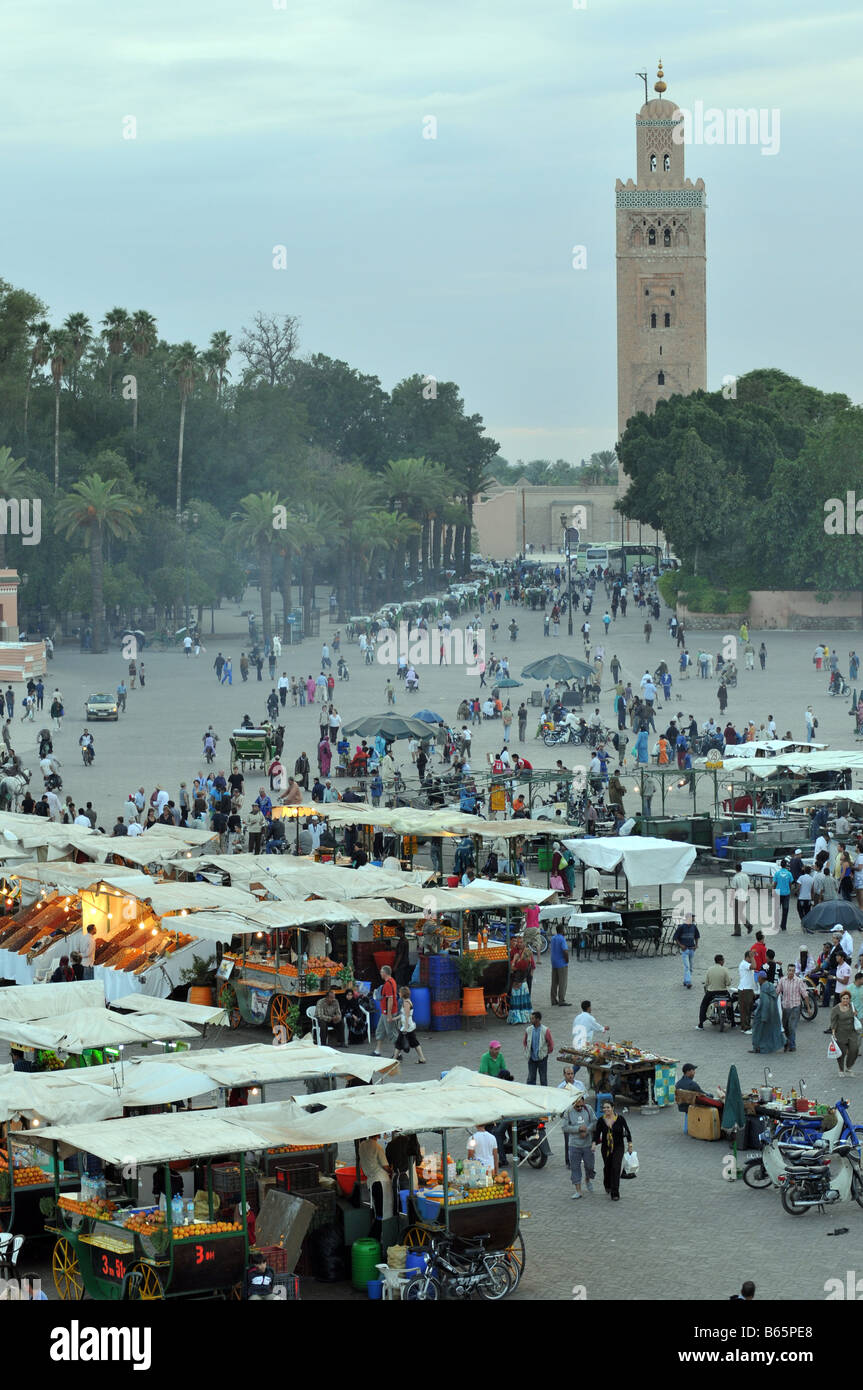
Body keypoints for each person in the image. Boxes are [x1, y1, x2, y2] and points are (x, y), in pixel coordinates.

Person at [593, 1100, 633, 1202]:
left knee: (616, 1167)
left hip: (618, 1147)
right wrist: (593, 1144)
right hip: (606, 1148)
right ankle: (607, 1184)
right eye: (604, 1108)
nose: (606, 1109)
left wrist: (630, 1145)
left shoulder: (620, 1119)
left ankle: (615, 1192)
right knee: (608, 1167)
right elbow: (597, 1134)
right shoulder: (601, 1120)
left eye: (608, 1107)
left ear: (613, 1108)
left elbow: (627, 1132)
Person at [357, 1135, 393, 1239]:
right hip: (381, 1181)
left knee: (378, 1211)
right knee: (384, 1212)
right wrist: (392, 1171)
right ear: (377, 1134)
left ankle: (375, 1236)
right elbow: (385, 1166)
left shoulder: (361, 1146)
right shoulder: (377, 1147)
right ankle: (378, 1237)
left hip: (371, 1182)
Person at [563, 1093, 596, 1199]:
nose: (580, 1108)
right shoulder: (568, 1111)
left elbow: (594, 1122)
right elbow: (565, 1127)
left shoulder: (588, 1109)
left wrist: (587, 1130)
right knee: (575, 1167)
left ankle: (588, 1179)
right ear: (573, 1103)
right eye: (577, 1106)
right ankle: (578, 1190)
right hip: (574, 1145)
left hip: (587, 1143)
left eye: (581, 1105)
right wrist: (578, 1129)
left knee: (590, 1166)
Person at [750, 964, 784, 1054]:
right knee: (773, 1031)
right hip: (773, 1013)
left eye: (758, 978)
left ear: (761, 978)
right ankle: (783, 1042)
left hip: (764, 1014)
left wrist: (763, 1016)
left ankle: (757, 1047)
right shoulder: (770, 986)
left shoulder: (764, 989)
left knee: (758, 1030)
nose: (757, 979)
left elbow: (765, 1002)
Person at [776, 963, 809, 1053]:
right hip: (785, 1007)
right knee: (786, 1026)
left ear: (795, 971)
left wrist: (808, 1008)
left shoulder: (799, 981)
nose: (791, 972)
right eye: (790, 970)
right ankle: (787, 1041)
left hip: (795, 1007)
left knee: (791, 1026)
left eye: (793, 971)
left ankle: (792, 1045)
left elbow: (805, 995)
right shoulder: (782, 980)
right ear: (787, 971)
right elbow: (777, 992)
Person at [697, 955, 733, 1029]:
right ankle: (733, 1022)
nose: (724, 961)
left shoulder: (709, 969)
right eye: (723, 960)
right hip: (723, 992)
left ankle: (701, 1024)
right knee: (730, 1005)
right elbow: (728, 983)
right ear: (721, 961)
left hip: (711, 992)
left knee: (703, 1006)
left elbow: (707, 983)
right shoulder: (725, 969)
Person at [393, 986, 426, 1064]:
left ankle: (394, 1059)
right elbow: (403, 1014)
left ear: (403, 994)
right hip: (408, 1026)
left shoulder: (406, 1003)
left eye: (400, 992)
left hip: (407, 1027)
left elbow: (407, 1016)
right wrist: (394, 1019)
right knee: (414, 1042)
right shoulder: (406, 1001)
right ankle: (422, 1058)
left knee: (399, 1042)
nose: (399, 993)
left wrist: (406, 1027)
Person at [830, 991, 859, 1076]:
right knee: (841, 1052)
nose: (845, 1000)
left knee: (855, 1049)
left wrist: (855, 1014)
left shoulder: (852, 1007)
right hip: (841, 1033)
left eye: (847, 999)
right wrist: (833, 1033)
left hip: (852, 1032)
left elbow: (855, 1018)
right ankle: (841, 1069)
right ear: (841, 999)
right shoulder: (835, 1009)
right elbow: (833, 1022)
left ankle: (849, 1066)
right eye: (844, 998)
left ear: (849, 999)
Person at [372, 965, 399, 1056]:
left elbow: (390, 999)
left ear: (385, 973)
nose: (380, 973)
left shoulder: (388, 984)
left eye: (381, 972)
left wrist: (389, 1014)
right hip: (385, 1012)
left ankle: (398, 1053)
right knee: (380, 1030)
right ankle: (377, 1051)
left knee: (392, 1033)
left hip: (388, 1013)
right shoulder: (392, 982)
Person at [523, 1011, 553, 1086]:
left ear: (538, 1019)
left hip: (542, 1058)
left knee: (543, 1078)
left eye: (532, 1018)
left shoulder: (545, 1030)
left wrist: (545, 1053)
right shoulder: (528, 1030)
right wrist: (528, 1051)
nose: (531, 1020)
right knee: (531, 1077)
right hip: (532, 1058)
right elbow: (525, 1042)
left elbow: (550, 1043)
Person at [673, 913, 700, 989]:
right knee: (687, 966)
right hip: (685, 950)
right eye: (693, 918)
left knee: (690, 967)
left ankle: (685, 981)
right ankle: (688, 982)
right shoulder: (681, 927)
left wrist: (696, 945)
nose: (694, 920)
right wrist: (681, 945)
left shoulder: (694, 927)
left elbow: (697, 936)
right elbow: (675, 937)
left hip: (692, 949)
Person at [737, 950, 759, 1033]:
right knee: (745, 1009)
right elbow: (754, 966)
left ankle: (746, 1026)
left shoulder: (747, 964)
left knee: (748, 1009)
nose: (753, 959)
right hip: (744, 989)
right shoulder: (744, 964)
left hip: (748, 989)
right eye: (751, 958)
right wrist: (752, 956)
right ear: (747, 957)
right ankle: (745, 1027)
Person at [729, 862, 751, 936]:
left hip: (738, 898)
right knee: (739, 913)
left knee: (736, 915)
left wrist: (731, 900)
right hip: (745, 897)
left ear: (735, 869)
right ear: (741, 868)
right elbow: (748, 886)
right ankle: (748, 925)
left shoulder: (735, 878)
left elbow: (733, 890)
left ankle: (738, 931)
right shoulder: (746, 876)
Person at [549, 923, 570, 1006]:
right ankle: (562, 1000)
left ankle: (553, 999)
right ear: (562, 930)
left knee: (554, 982)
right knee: (563, 982)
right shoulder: (562, 939)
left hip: (554, 962)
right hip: (561, 963)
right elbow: (565, 951)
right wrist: (567, 960)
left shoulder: (553, 938)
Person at [392, 925, 412, 989]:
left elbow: (400, 955)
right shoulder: (403, 940)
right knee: (403, 979)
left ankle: (400, 993)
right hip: (405, 963)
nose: (396, 933)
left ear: (401, 932)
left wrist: (395, 966)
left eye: (397, 932)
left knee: (399, 980)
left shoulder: (403, 942)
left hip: (401, 964)